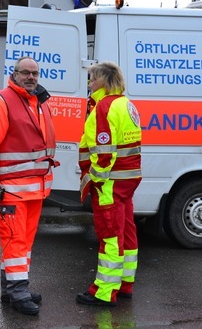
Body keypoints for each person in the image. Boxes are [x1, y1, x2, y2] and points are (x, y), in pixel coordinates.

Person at [0, 56, 57, 316]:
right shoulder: (1, 102)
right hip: (12, 189)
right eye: (26, 72)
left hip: (35, 187)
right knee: (14, 242)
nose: (31, 77)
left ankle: (12, 288)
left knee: (23, 243)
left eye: (35, 73)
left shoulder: (38, 102)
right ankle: (18, 291)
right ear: (14, 74)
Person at [76, 61, 142, 307]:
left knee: (110, 235)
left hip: (109, 183)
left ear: (102, 81)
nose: (90, 84)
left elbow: (104, 152)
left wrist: (96, 179)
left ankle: (104, 292)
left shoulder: (104, 107)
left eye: (92, 79)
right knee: (126, 230)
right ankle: (125, 284)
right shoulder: (126, 103)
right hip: (127, 180)